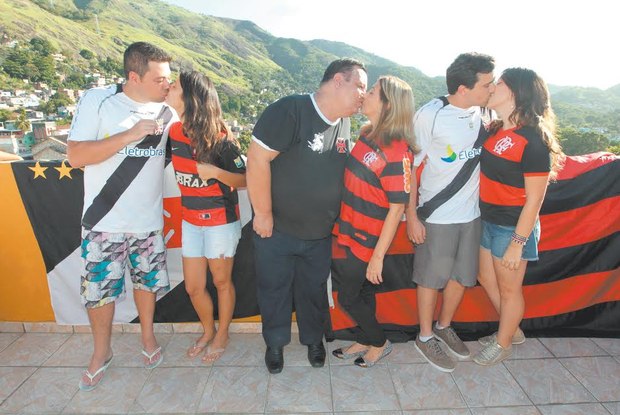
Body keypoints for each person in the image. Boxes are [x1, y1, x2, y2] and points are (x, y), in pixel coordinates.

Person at [247, 58, 367, 374]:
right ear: (338, 80)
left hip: (319, 234)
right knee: (274, 290)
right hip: (277, 229)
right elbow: (257, 160)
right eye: (359, 86)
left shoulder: (343, 123)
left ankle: (314, 341)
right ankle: (275, 345)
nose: (363, 96)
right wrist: (263, 213)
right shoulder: (291, 110)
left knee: (313, 293)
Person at [67, 42, 175, 391]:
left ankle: (148, 338)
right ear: (134, 76)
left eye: (169, 78)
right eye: (160, 79)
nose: (167, 85)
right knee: (99, 293)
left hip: (148, 222)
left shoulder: (169, 108)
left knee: (147, 285)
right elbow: (75, 156)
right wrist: (131, 133)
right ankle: (101, 352)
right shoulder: (98, 99)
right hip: (104, 222)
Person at [406, 52, 495, 373]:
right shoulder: (430, 114)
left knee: (462, 276)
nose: (492, 89)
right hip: (437, 215)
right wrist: (411, 216)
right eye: (486, 84)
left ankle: (444, 326)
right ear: (463, 88)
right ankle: (425, 336)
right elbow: (409, 167)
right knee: (431, 279)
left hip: (472, 214)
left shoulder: (486, 112)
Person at [473, 68, 563, 365]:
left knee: (509, 291)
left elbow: (535, 199)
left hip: (512, 227)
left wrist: (517, 242)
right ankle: (511, 330)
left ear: (514, 92)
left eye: (498, 83)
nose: (491, 87)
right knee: (485, 277)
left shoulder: (533, 140)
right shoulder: (496, 129)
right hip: (487, 219)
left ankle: (503, 343)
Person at [331, 76, 416, 367]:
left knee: (347, 297)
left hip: (369, 237)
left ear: (387, 104)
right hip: (350, 228)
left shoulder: (398, 150)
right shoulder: (367, 134)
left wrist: (377, 257)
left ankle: (379, 342)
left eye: (372, 91)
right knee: (363, 290)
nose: (364, 94)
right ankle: (366, 338)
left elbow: (397, 208)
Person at [166, 71, 246, 363]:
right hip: (191, 222)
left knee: (222, 282)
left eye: (175, 85)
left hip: (220, 223)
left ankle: (222, 333)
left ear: (190, 97)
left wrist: (215, 172)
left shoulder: (221, 139)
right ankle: (208, 330)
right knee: (193, 287)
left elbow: (245, 179)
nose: (169, 87)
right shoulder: (174, 133)